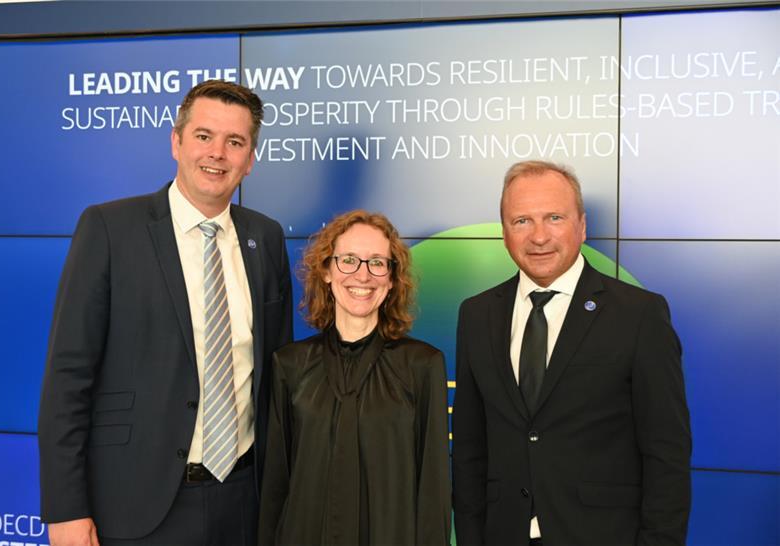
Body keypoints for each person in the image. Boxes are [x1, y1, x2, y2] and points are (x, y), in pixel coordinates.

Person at [38, 80, 293, 546]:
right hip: (137, 506)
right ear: (176, 142)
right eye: (203, 136)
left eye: (234, 142)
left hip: (243, 501)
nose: (217, 153)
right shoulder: (110, 228)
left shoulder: (266, 237)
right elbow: (67, 378)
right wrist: (66, 510)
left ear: (250, 159)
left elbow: (275, 374)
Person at [452, 160, 691, 546]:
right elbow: (469, 449)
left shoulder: (639, 314)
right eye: (522, 221)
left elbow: (666, 454)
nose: (539, 236)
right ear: (504, 233)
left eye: (554, 217)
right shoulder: (477, 314)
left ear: (581, 225)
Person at [257, 210, 451, 546]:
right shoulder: (289, 365)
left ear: (392, 278)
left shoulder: (422, 365)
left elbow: (432, 491)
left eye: (377, 262)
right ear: (327, 271)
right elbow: (276, 486)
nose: (362, 275)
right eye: (348, 260)